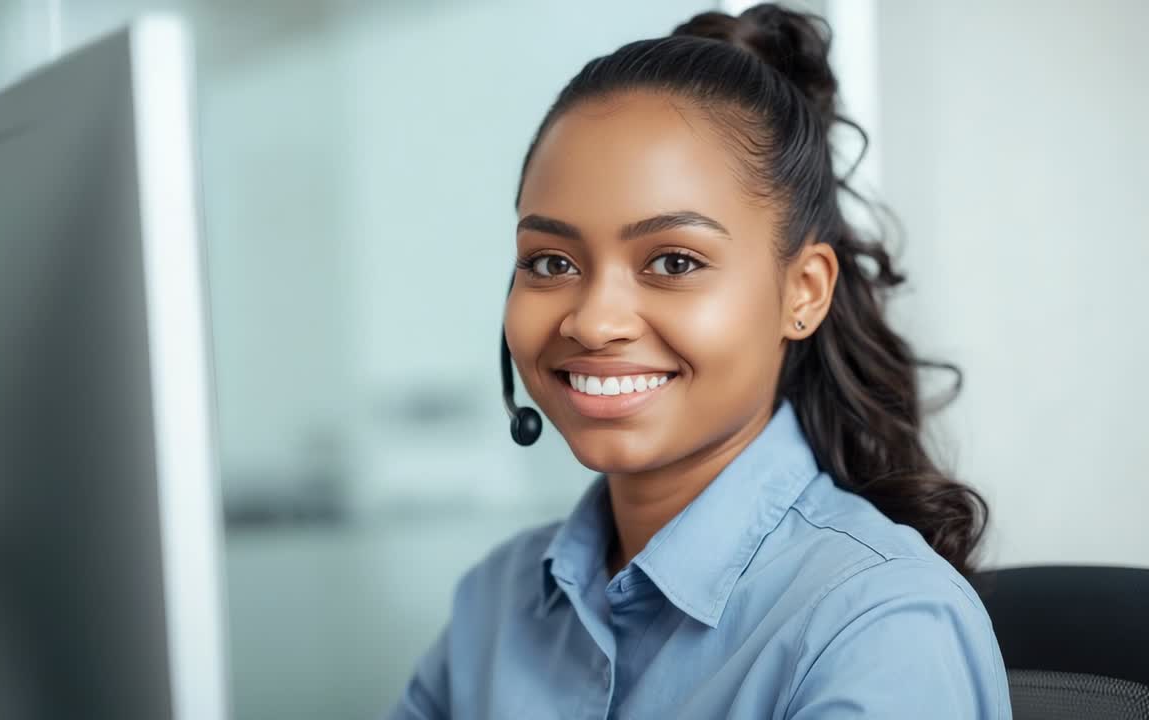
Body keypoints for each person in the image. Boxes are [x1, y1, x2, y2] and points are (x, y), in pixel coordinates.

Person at [388, 4, 1011, 718]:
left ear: (801, 292)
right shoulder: (494, 606)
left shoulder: (879, 625)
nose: (592, 320)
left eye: (673, 261)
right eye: (551, 260)